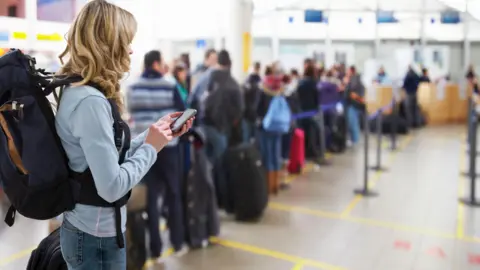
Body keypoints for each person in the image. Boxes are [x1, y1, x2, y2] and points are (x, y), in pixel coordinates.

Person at [54, 2, 193, 269]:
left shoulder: (81, 92)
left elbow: (106, 156)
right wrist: (151, 149)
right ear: (108, 44)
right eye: (126, 42)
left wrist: (155, 134)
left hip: (93, 232)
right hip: (95, 239)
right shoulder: (89, 102)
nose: (131, 50)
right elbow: (112, 187)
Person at [128, 50, 190, 262]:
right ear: (155, 64)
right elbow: (182, 114)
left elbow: (131, 115)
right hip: (169, 147)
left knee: (151, 197)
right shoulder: (170, 84)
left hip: (145, 148)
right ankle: (178, 242)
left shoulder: (132, 87)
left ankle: (155, 249)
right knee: (173, 194)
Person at [256, 66, 285, 194]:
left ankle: (268, 187)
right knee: (276, 155)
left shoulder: (263, 89)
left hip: (265, 127)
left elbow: (257, 109)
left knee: (266, 156)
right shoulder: (280, 88)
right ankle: (276, 186)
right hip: (278, 126)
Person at [343, 66, 365, 146]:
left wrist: (346, 83)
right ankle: (354, 139)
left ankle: (354, 140)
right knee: (352, 122)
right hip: (353, 104)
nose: (347, 72)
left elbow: (351, 91)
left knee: (353, 123)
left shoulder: (354, 79)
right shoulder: (356, 79)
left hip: (354, 104)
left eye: (348, 71)